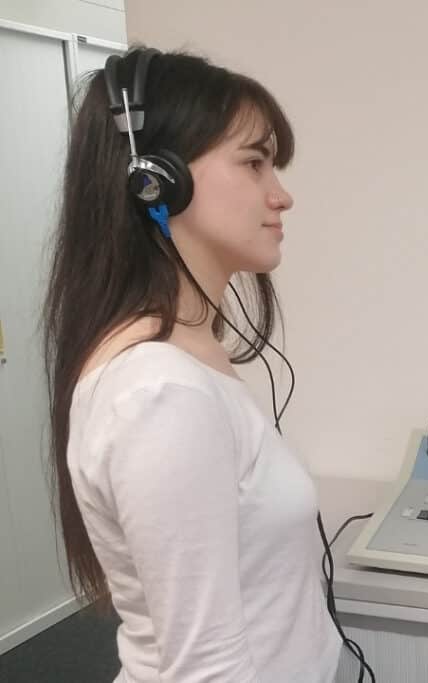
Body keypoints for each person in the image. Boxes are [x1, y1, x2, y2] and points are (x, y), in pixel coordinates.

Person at [44, 47, 343, 681]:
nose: (281, 195)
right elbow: (206, 670)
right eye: (254, 163)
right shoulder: (159, 392)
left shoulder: (186, 354)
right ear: (156, 180)